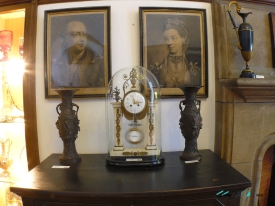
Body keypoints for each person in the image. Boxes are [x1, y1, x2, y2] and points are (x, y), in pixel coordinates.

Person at [149, 18, 200, 88]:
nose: (169, 43)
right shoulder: (157, 70)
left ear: (183, 38)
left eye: (173, 38)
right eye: (166, 39)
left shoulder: (194, 69)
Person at [51, 21, 104, 88]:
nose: (82, 39)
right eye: (76, 35)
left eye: (84, 35)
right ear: (65, 38)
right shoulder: (57, 61)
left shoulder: (97, 62)